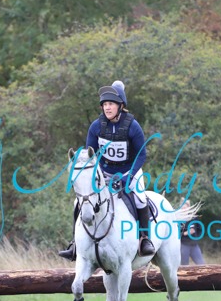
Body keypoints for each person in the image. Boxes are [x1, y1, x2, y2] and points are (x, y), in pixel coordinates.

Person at [59, 80, 155, 260]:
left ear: (121, 106)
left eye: (111, 104)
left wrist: (128, 177)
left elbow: (141, 155)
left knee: (140, 198)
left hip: (129, 171)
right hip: (104, 173)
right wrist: (97, 176)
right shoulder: (96, 126)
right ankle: (74, 244)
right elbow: (90, 156)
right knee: (78, 202)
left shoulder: (133, 126)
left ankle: (144, 239)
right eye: (104, 104)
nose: (107, 108)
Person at [179, 200, 205, 265]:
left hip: (194, 245)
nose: (184, 209)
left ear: (189, 207)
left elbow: (199, 229)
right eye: (183, 207)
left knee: (201, 264)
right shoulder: (178, 218)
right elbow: (174, 233)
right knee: (184, 266)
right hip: (184, 245)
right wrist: (185, 233)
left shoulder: (193, 217)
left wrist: (196, 237)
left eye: (186, 207)